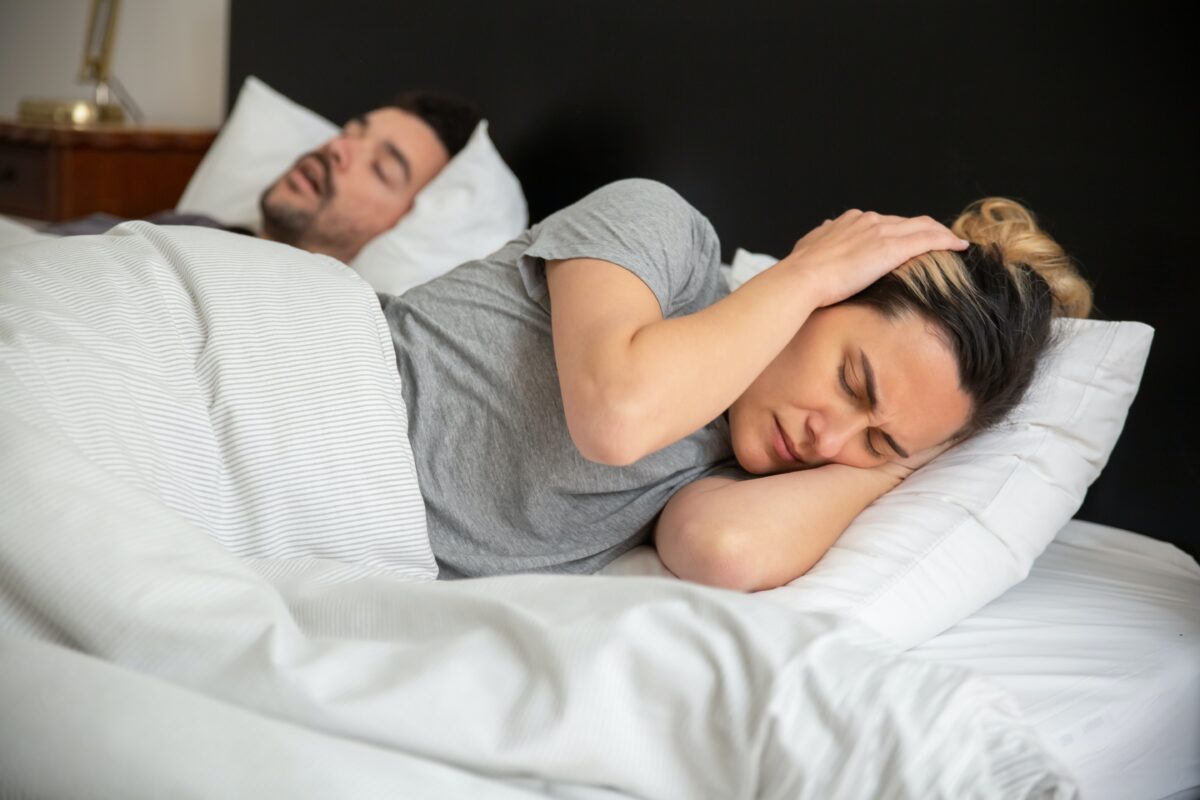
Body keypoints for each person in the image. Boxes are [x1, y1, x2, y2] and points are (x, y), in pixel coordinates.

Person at [380, 179, 1092, 589]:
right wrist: (804, 273)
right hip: (300, 380)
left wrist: (898, 464)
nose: (831, 437)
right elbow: (616, 416)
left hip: (326, 530)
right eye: (852, 381)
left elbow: (724, 550)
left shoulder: (737, 470)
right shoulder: (663, 237)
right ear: (828, 293)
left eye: (877, 439)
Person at [43, 91, 481, 263]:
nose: (338, 148)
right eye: (349, 132)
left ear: (405, 225)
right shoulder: (195, 226)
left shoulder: (322, 318)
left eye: (381, 168)